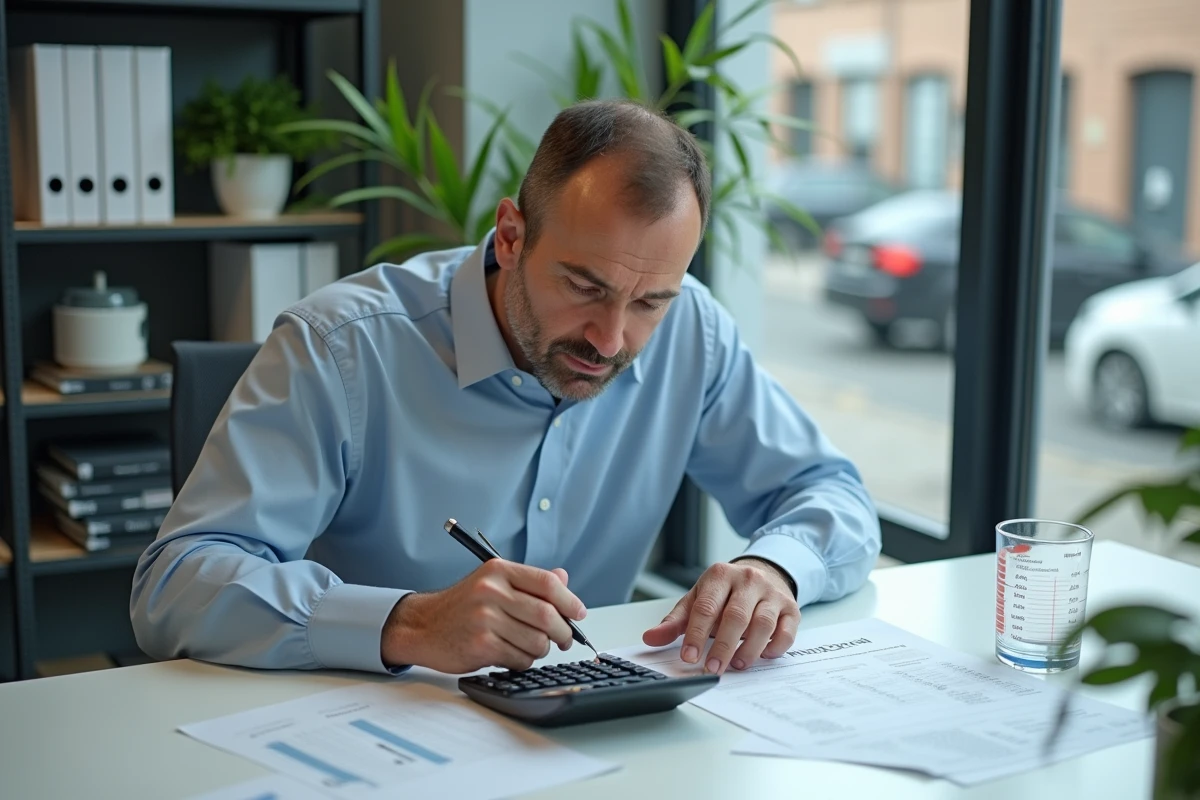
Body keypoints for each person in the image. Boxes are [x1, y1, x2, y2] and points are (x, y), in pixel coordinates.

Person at [130, 99, 881, 679]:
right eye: (585, 285)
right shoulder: (342, 349)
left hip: (597, 735)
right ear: (513, 235)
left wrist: (771, 568)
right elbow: (175, 586)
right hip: (371, 736)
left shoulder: (697, 334)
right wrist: (410, 623)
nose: (611, 339)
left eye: (651, 301)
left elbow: (831, 493)